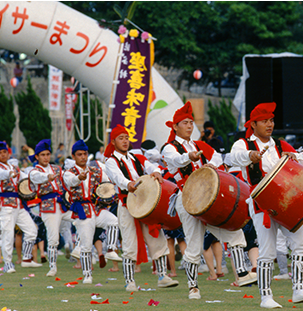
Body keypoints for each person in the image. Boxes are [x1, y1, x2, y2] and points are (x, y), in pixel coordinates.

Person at [161, 101, 256, 300]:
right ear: (175, 126)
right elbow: (177, 161)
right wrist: (190, 156)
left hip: (209, 199)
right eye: (185, 122)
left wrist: (211, 165)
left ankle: (241, 273)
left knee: (234, 231)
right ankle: (193, 286)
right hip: (187, 199)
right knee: (194, 246)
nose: (189, 125)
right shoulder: (169, 148)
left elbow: (218, 158)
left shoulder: (200, 145)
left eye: (190, 122)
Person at [230, 102, 303, 309]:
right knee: (268, 251)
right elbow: (233, 157)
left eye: (271, 120)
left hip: (287, 203)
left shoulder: (280, 145)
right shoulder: (243, 144)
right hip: (262, 206)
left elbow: (298, 161)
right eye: (264, 121)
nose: (269, 124)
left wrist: (295, 157)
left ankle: (298, 288)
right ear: (253, 124)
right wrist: (249, 156)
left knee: (299, 244)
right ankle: (265, 297)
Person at [104, 124, 179, 292]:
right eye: (120, 138)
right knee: (129, 242)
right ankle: (129, 281)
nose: (124, 141)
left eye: (126, 137)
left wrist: (157, 172)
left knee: (156, 236)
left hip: (146, 204)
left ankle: (162, 276)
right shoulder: (111, 161)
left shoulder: (136, 157)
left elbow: (152, 166)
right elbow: (117, 177)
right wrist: (127, 183)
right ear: (114, 142)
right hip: (126, 204)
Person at [63, 140, 122, 284]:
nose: (83, 157)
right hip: (82, 210)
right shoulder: (69, 173)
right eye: (79, 154)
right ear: (73, 156)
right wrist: (79, 178)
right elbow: (71, 181)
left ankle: (111, 249)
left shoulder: (96, 170)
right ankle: (87, 275)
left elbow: (109, 180)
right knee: (86, 245)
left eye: (85, 154)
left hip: (96, 208)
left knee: (114, 221)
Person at [0, 141, 40, 273]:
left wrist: (40, 178)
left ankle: (27, 258)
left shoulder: (15, 168)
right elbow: (2, 174)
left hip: (19, 204)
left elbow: (26, 179)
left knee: (31, 231)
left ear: (8, 152)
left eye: (4, 152)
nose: (3, 155)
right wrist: (11, 173)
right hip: (6, 205)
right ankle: (7, 263)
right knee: (8, 234)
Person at [29, 139, 73, 277]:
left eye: (48, 154)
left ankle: (75, 250)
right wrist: (47, 177)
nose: (46, 157)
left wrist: (77, 177)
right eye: (43, 155)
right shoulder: (34, 171)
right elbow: (38, 178)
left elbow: (67, 179)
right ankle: (53, 266)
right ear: (37, 156)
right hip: (49, 206)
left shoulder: (57, 168)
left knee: (83, 221)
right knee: (53, 238)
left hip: (63, 204)